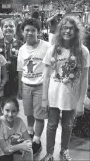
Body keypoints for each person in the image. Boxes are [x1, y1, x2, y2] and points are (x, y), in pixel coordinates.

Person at [41, 16, 89, 161]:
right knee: (51, 125)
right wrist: (44, 98)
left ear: (76, 31)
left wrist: (81, 101)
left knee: (68, 126)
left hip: (71, 96)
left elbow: (85, 78)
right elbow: (47, 76)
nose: (67, 31)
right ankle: (49, 153)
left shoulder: (83, 51)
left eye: (71, 28)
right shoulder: (53, 50)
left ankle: (64, 150)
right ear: (60, 30)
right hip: (54, 95)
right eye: (64, 28)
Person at [17, 18, 52, 156]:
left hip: (41, 86)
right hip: (26, 85)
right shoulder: (21, 49)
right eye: (27, 30)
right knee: (29, 113)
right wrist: (19, 89)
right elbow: (20, 70)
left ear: (38, 32)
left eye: (33, 30)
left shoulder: (47, 47)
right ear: (22, 32)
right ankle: (30, 133)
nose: (30, 33)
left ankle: (37, 141)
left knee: (39, 116)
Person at [0, 18, 23, 97]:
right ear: (2, 29)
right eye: (6, 26)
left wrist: (20, 88)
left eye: (11, 26)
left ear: (15, 28)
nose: (8, 28)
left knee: (12, 104)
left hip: (15, 80)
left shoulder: (21, 44)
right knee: (0, 103)